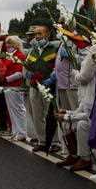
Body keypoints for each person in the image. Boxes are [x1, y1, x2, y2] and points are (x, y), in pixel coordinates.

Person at [60, 17, 96, 179]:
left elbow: (85, 76)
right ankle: (88, 159)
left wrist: (74, 73)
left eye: (90, 30)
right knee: (86, 126)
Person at [24, 23, 61, 152]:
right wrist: (28, 73)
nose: (37, 36)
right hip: (34, 87)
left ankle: (55, 142)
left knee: (50, 115)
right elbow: (27, 65)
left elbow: (58, 67)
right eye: (36, 34)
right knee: (37, 114)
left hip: (49, 87)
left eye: (40, 33)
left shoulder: (54, 48)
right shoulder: (32, 50)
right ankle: (42, 141)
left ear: (48, 34)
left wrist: (51, 79)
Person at [0, 36, 28, 141]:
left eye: (11, 44)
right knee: (11, 109)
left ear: (16, 45)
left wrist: (5, 79)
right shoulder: (7, 56)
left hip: (16, 85)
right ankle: (16, 131)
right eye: (7, 44)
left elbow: (20, 73)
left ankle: (22, 132)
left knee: (18, 109)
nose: (8, 46)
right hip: (8, 85)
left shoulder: (20, 55)